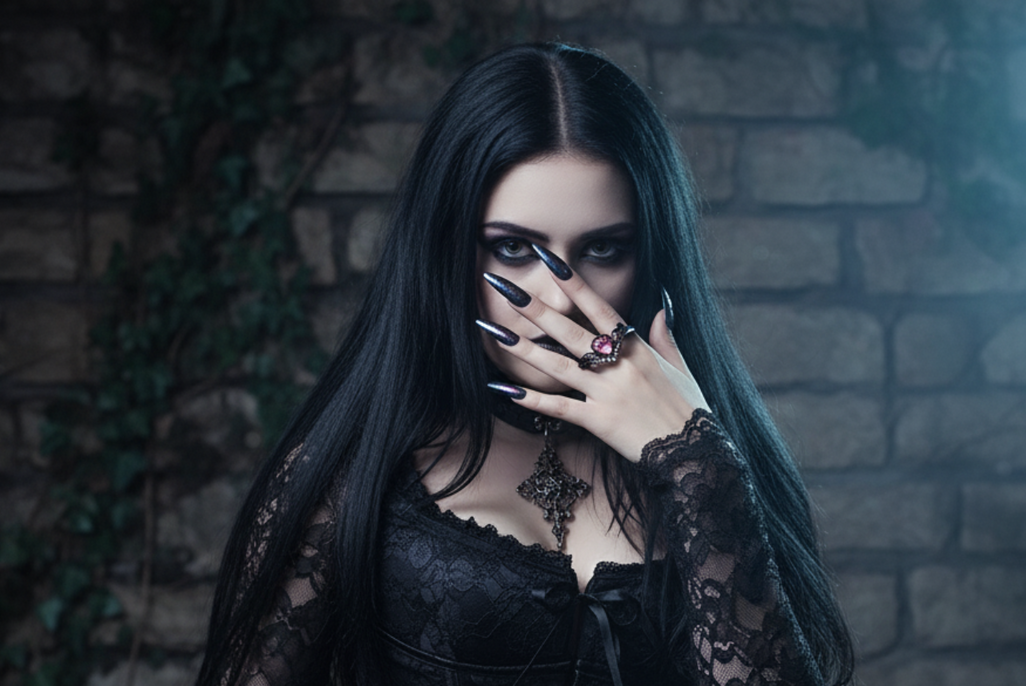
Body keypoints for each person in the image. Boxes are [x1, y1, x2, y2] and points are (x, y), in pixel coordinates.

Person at [196, 43, 854, 686]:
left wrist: (696, 462)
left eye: (602, 249)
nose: (559, 298)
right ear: (448, 251)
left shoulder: (715, 466)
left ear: (651, 256)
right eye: (512, 249)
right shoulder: (351, 473)